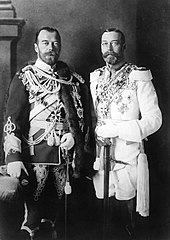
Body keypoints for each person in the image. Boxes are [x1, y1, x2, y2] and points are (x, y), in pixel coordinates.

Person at [2, 26, 93, 239]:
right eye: (45, 42)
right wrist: (13, 158)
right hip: (35, 157)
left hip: (66, 159)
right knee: (32, 218)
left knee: (58, 219)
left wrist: (75, 136)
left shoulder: (74, 80)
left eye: (55, 43)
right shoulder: (25, 78)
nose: (50, 47)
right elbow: (12, 121)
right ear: (36, 47)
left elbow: (84, 118)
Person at [90, 28, 162, 237]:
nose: (109, 49)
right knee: (104, 215)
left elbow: (155, 120)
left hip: (128, 156)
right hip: (100, 156)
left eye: (114, 43)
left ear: (124, 46)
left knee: (127, 217)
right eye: (105, 44)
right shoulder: (95, 77)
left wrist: (117, 129)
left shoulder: (138, 76)